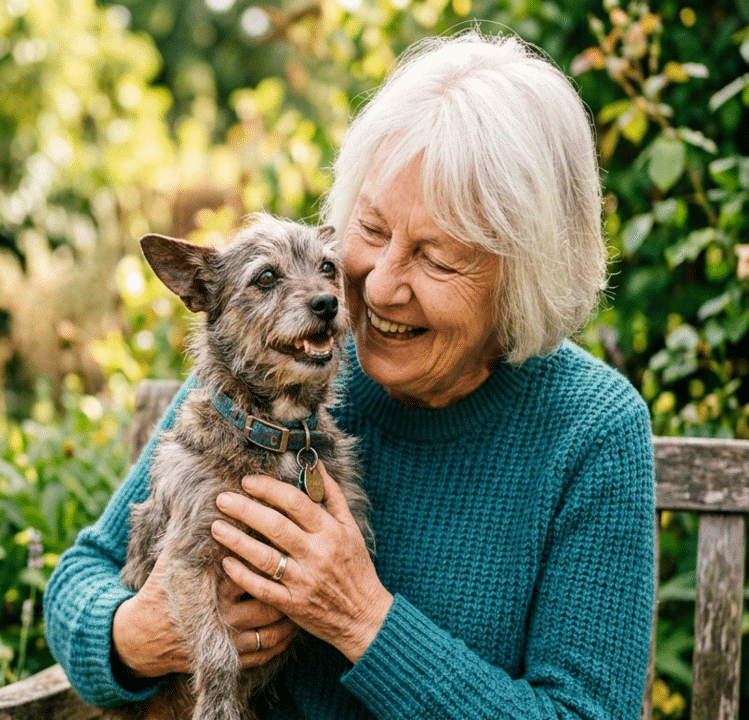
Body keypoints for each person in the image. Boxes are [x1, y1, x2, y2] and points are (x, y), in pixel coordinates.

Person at [44, 28, 656, 720]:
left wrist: (363, 619)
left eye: (437, 257)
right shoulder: (279, 366)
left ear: (523, 279)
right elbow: (79, 582)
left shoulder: (592, 429)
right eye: (369, 229)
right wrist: (139, 637)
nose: (381, 287)